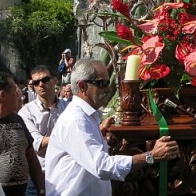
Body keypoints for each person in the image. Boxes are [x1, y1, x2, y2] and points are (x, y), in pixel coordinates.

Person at [45, 58, 179, 196]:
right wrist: (151, 156)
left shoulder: (87, 117)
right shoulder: (76, 120)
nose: (108, 89)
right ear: (82, 87)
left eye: (108, 83)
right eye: (102, 83)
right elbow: (102, 166)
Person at [0, 72, 43, 196]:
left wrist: (41, 189)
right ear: (3, 95)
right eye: (15, 92)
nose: (19, 97)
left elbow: (31, 157)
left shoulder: (18, 120)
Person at [19, 65, 67, 175]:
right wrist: (69, 136)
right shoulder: (26, 112)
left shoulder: (68, 107)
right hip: (41, 173)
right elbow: (38, 143)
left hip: (66, 171)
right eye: (36, 82)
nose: (41, 84)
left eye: (45, 80)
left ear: (55, 81)